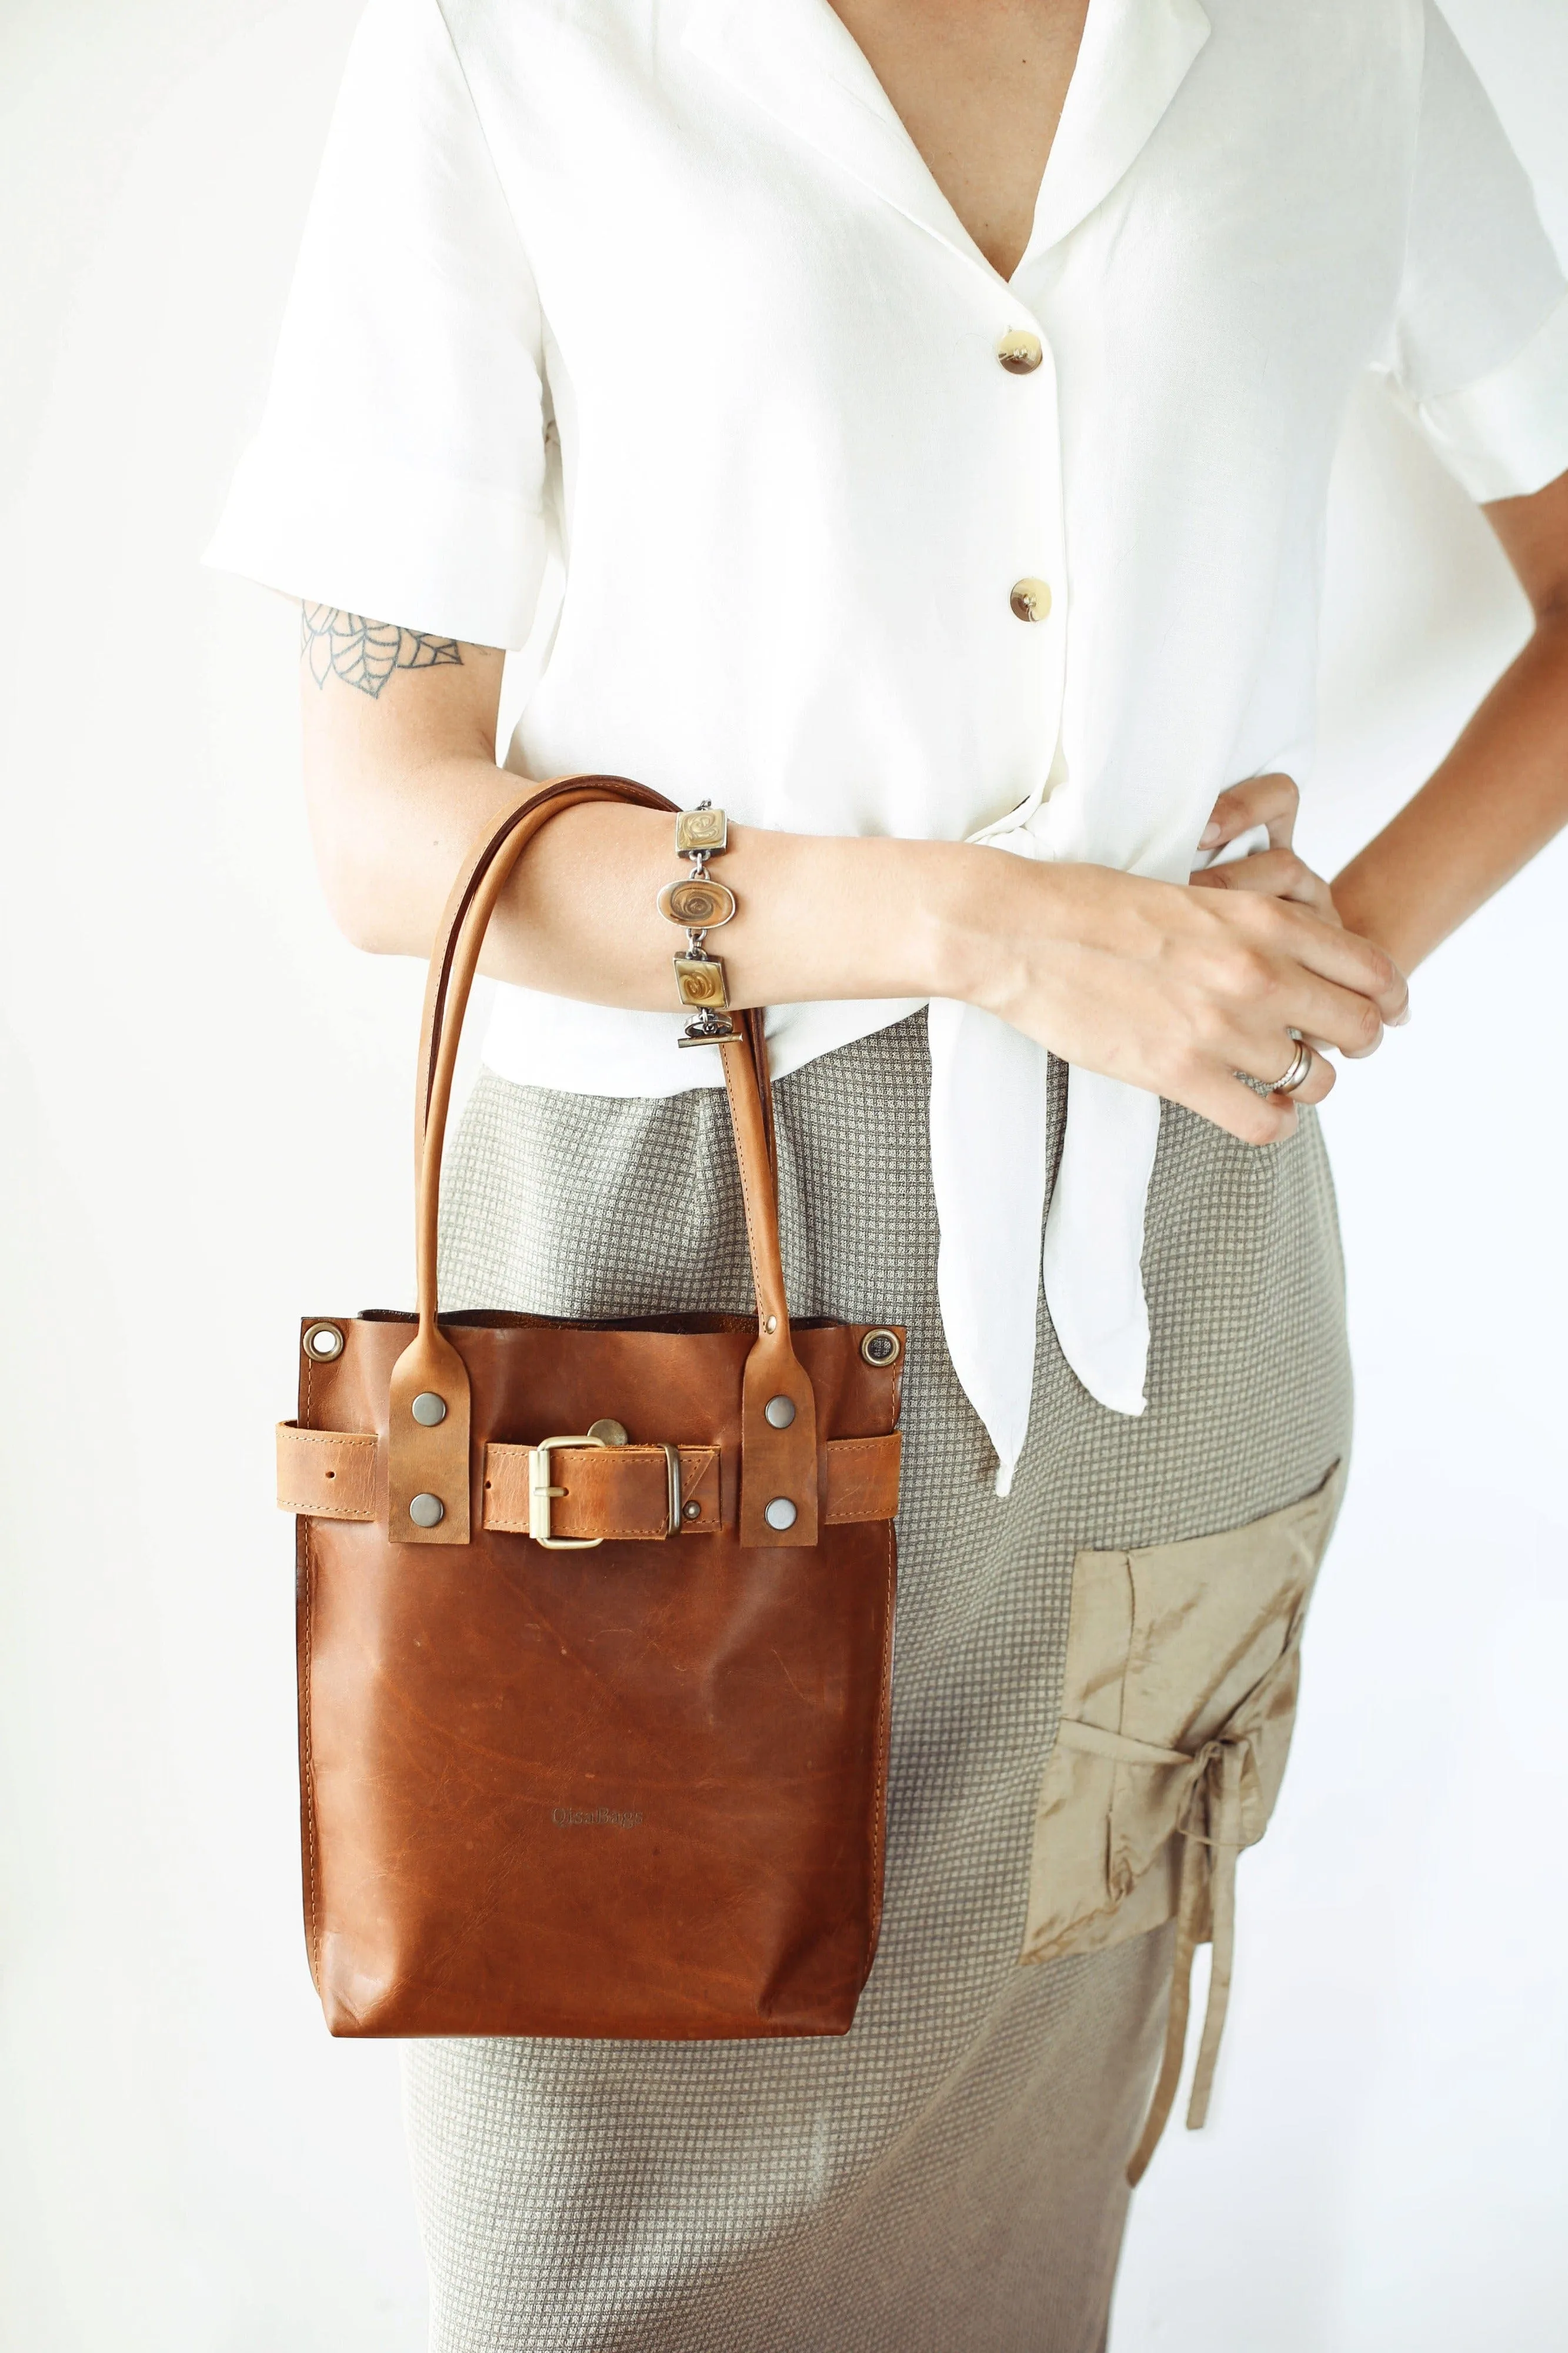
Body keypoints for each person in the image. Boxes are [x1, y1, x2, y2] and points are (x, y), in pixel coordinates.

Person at [208, 2, 1568, 2345]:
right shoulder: (514, 43)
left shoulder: (1334, 40)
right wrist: (998, 921)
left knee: (1012, 2255)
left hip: (1177, 1316)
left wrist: (1349, 941)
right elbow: (385, 829)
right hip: (646, 1331)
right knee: (586, 2263)